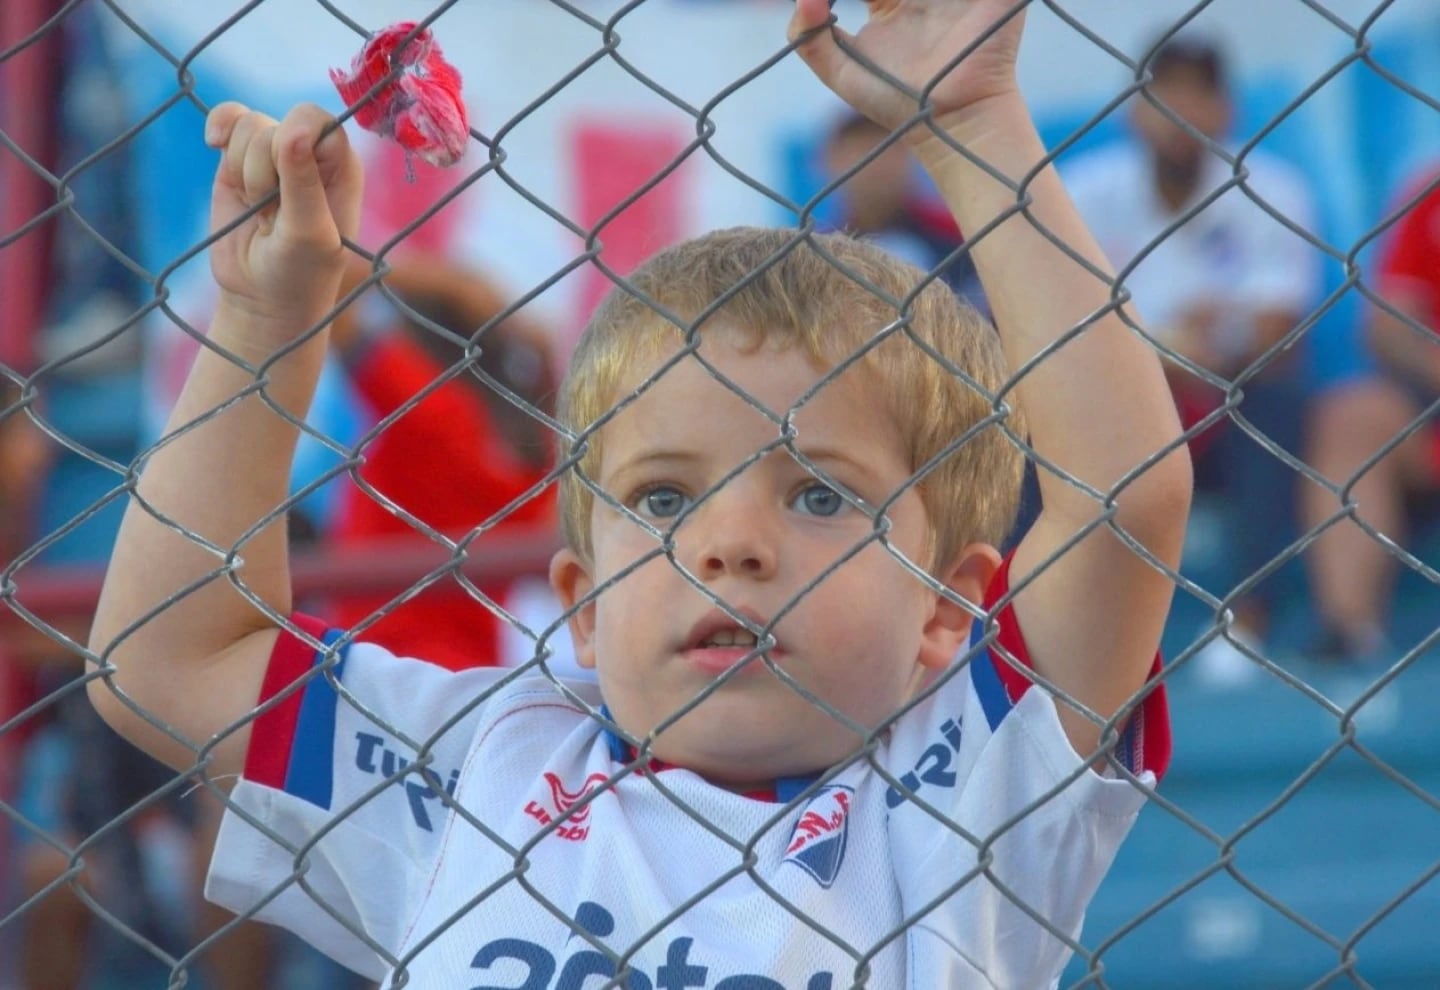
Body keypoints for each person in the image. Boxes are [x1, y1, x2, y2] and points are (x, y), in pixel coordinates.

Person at [86, 1, 1190, 986]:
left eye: (816, 497)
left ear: (946, 609)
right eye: (663, 503)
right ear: (587, 600)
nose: (728, 545)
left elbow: (1124, 497)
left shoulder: (969, 782)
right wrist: (268, 320)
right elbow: (165, 657)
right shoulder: (488, 759)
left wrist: (977, 128)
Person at [1061, 34, 1320, 682]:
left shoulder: (1272, 190)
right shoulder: (1086, 192)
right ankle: (1055, 630)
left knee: (1279, 403)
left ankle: (1248, 619)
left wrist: (1163, 343)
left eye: (1197, 93)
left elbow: (1280, 335)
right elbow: (1058, 323)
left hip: (1224, 401)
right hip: (1116, 405)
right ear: (1134, 111)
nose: (1179, 111)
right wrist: (1176, 344)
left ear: (1225, 110)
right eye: (1163, 93)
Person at [326, 250, 559, 671]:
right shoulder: (536, 455)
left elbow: (325, 287)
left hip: (375, 661)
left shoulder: (426, 408)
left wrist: (445, 284)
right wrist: (526, 337)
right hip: (470, 676)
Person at [1300, 167, 1440, 665]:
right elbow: (1388, 323)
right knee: (1351, 416)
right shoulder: (1431, 194)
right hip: (1432, 402)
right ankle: (1349, 629)